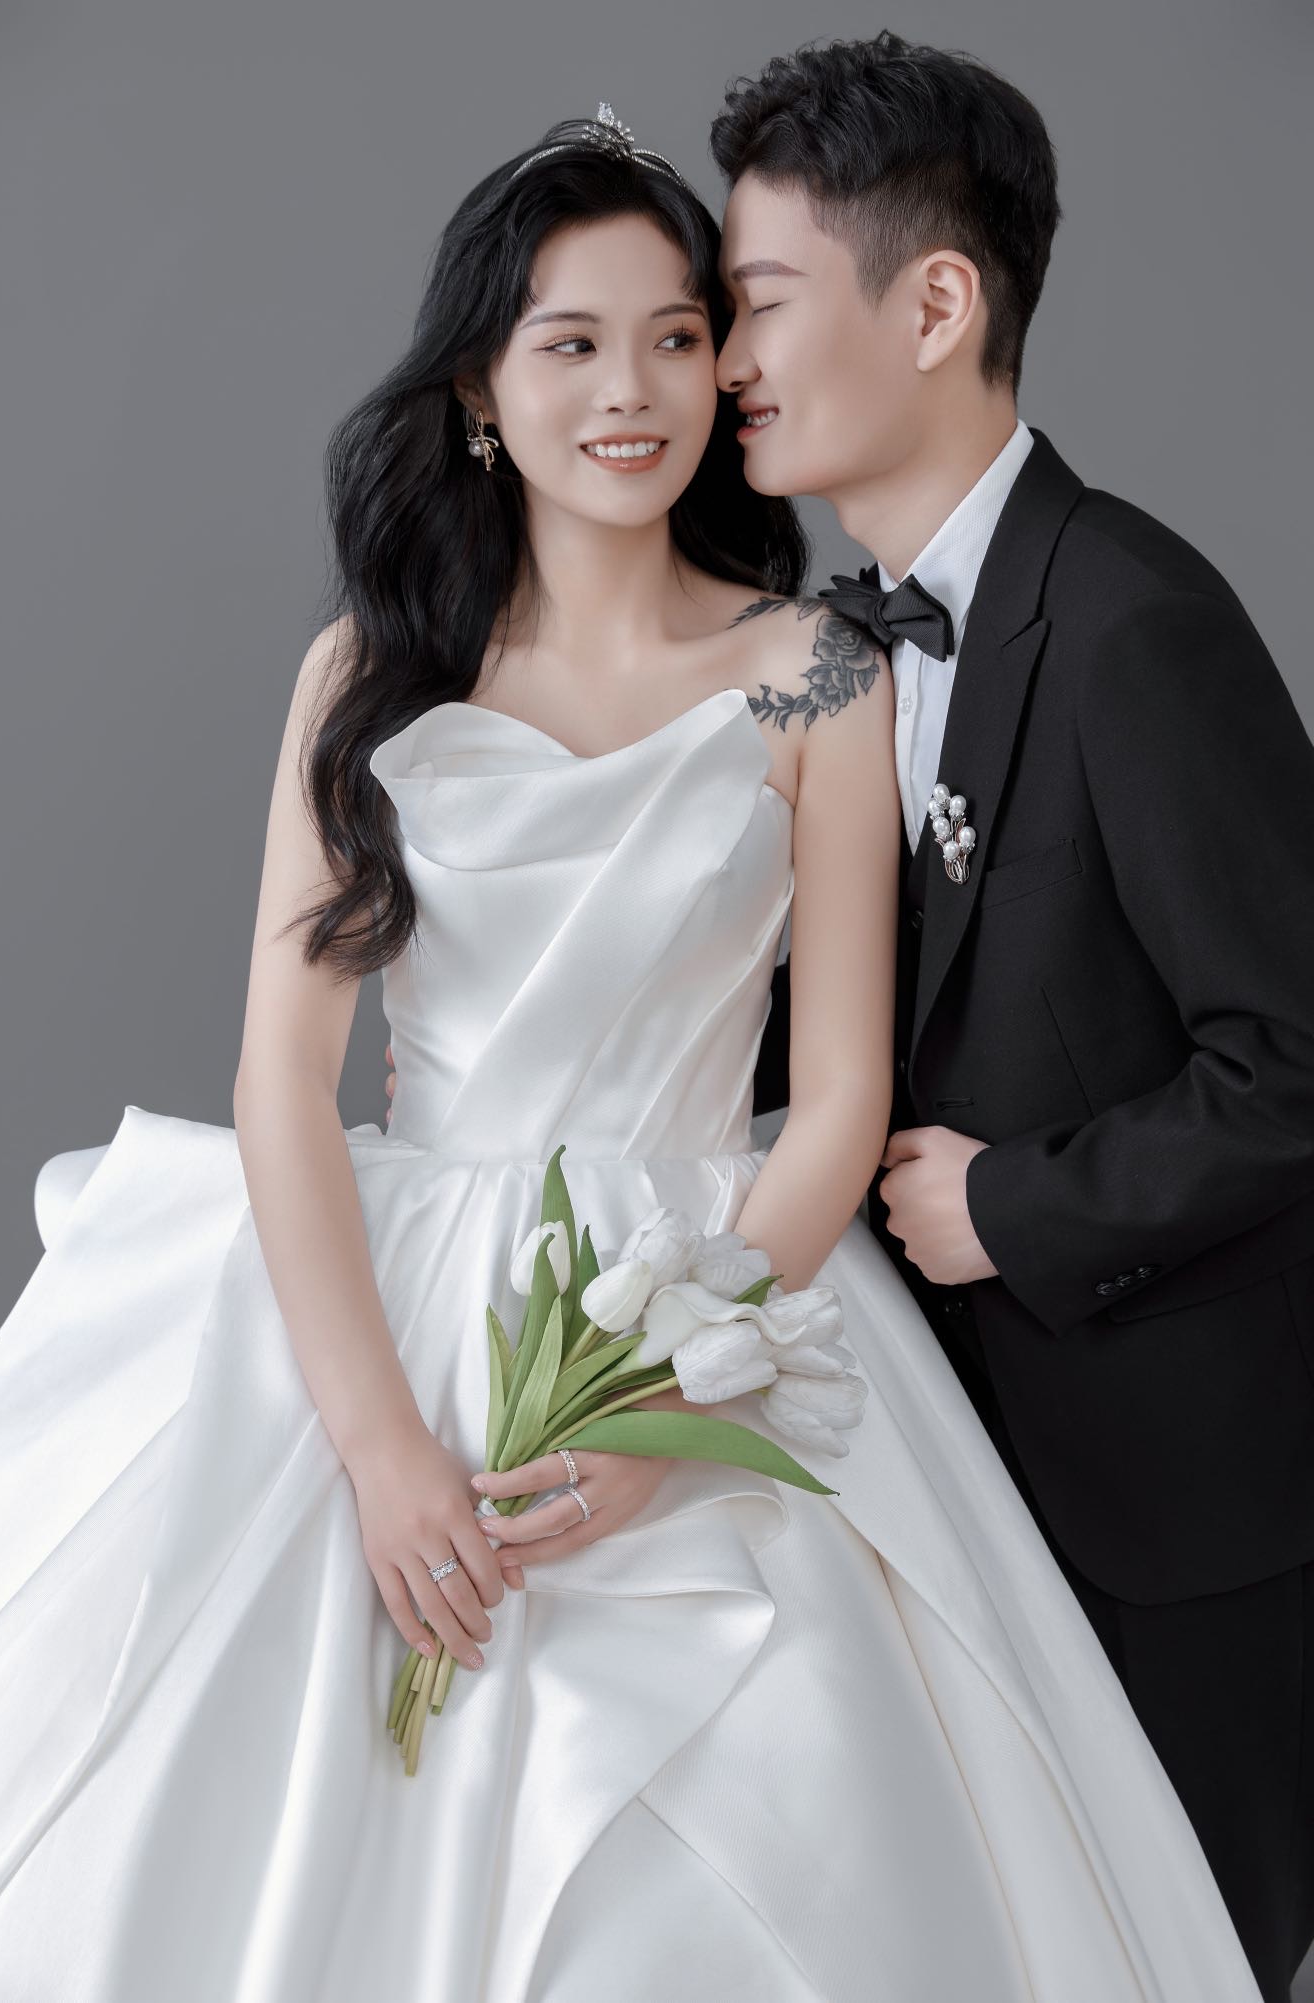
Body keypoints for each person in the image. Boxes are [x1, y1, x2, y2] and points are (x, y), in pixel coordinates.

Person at [0, 106, 1264, 2003]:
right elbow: (280, 1084)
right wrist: (382, 1449)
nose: (635, 388)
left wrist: (672, 1405)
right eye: (571, 343)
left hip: (714, 1286)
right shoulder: (366, 674)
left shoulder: (821, 670)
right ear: (480, 392)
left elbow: (840, 1097)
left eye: (678, 335)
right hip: (401, 1301)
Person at [698, 33, 1314, 2003]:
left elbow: (1296, 1062)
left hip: (1176, 1525)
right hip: (938, 1490)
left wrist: (1018, 1205)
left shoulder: (1132, 618)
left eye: (760, 302)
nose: (726, 363)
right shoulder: (827, 652)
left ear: (936, 302)